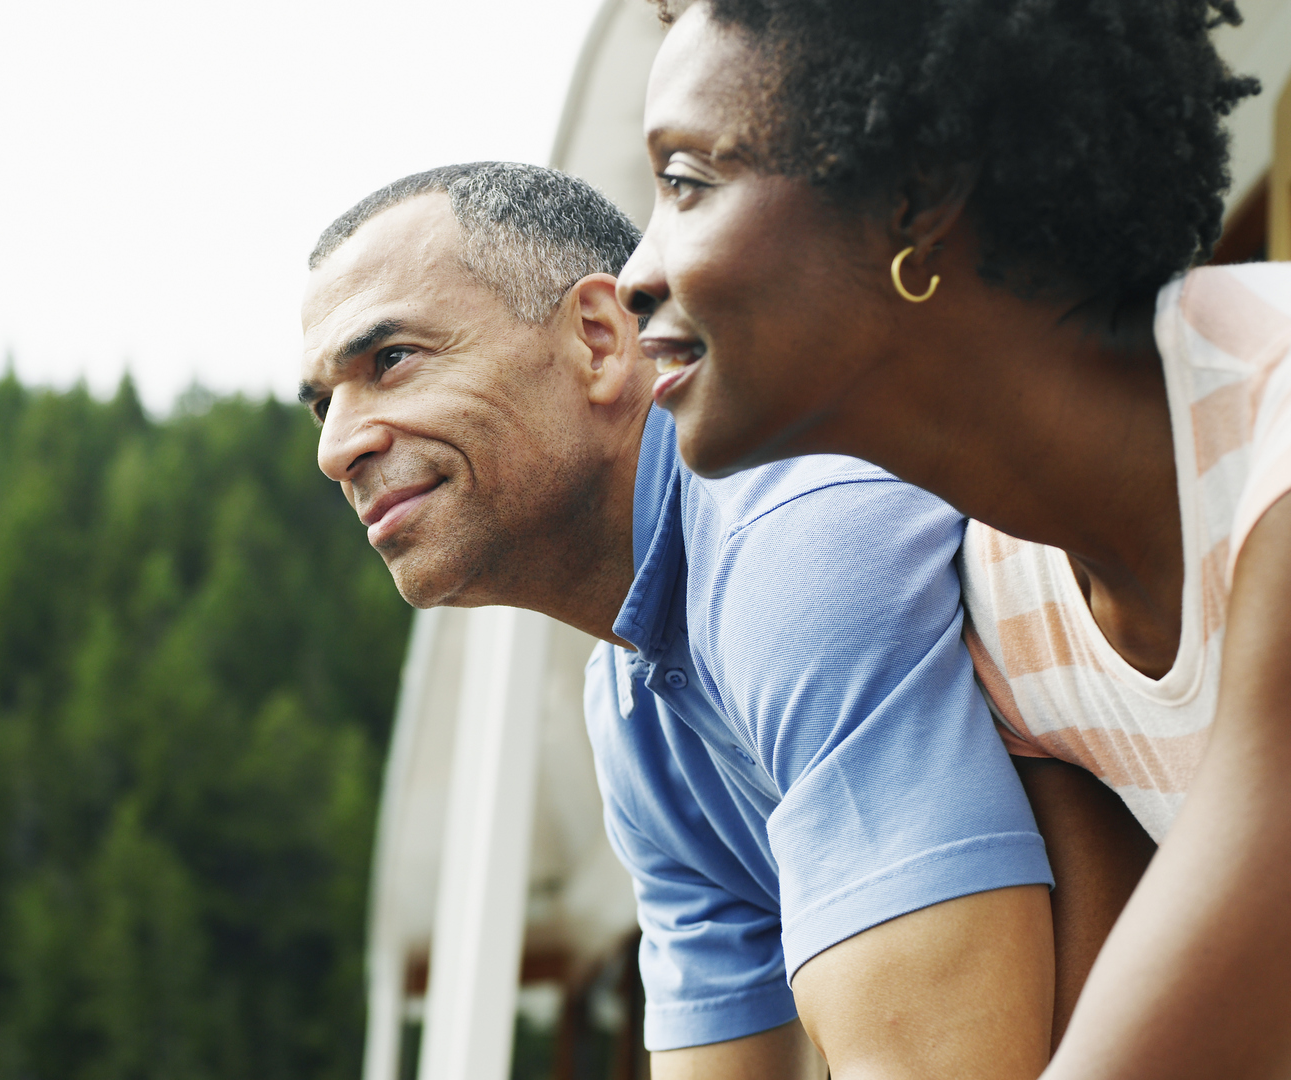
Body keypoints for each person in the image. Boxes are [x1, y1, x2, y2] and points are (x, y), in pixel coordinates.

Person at [612, 1, 1291, 1077]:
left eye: (688, 180)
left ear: (917, 196)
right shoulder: (1009, 611)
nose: (632, 275)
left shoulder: (1277, 435)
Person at [300, 162, 1088, 1078]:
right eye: (324, 404)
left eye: (389, 361)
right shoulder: (633, 709)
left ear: (599, 340)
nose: (333, 448)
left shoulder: (786, 537)